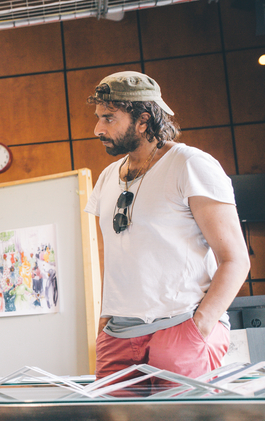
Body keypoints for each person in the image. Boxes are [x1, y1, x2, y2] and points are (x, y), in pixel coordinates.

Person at [84, 71, 251, 385]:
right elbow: (120, 257)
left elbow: (236, 259)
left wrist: (198, 327)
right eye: (98, 118)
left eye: (108, 119)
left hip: (181, 328)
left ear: (143, 120)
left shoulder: (189, 164)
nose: (97, 129)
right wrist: (104, 324)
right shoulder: (107, 176)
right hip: (117, 335)